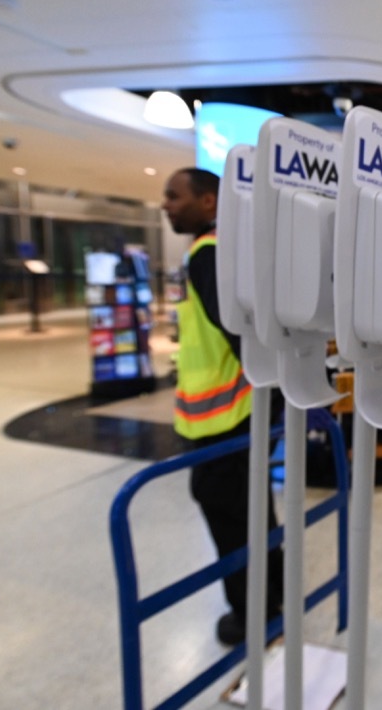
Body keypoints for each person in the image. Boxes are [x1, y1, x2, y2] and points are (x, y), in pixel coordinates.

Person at [162, 167, 283, 645]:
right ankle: (272, 592)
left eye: (174, 196)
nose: (166, 205)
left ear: (210, 202)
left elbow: (235, 331)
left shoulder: (205, 253)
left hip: (223, 417)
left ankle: (250, 614)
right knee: (253, 509)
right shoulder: (230, 250)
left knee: (229, 517)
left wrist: (265, 386)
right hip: (243, 411)